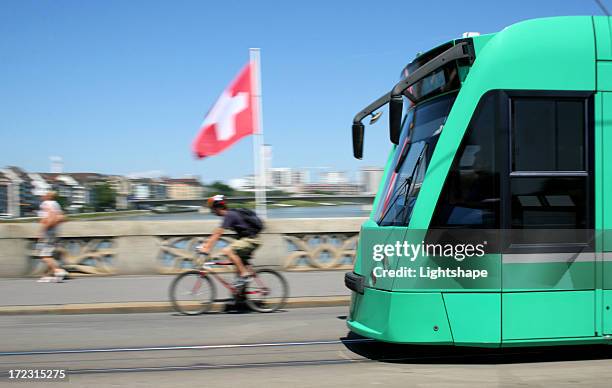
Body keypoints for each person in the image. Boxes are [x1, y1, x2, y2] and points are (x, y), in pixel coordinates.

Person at [200, 195, 262, 288]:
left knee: (228, 251)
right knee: (237, 264)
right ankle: (239, 297)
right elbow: (216, 232)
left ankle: (245, 275)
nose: (212, 211)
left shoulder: (229, 215)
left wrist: (207, 248)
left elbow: (218, 233)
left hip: (251, 240)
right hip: (247, 239)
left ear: (218, 207)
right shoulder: (230, 214)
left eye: (212, 208)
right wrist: (205, 244)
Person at [36, 191, 68, 282]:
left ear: (46, 196)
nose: (40, 197)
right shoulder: (56, 204)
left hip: (48, 232)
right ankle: (50, 274)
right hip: (55, 232)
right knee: (49, 253)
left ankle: (58, 271)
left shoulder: (46, 204)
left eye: (41, 195)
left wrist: (43, 231)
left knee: (44, 255)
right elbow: (62, 218)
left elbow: (51, 217)